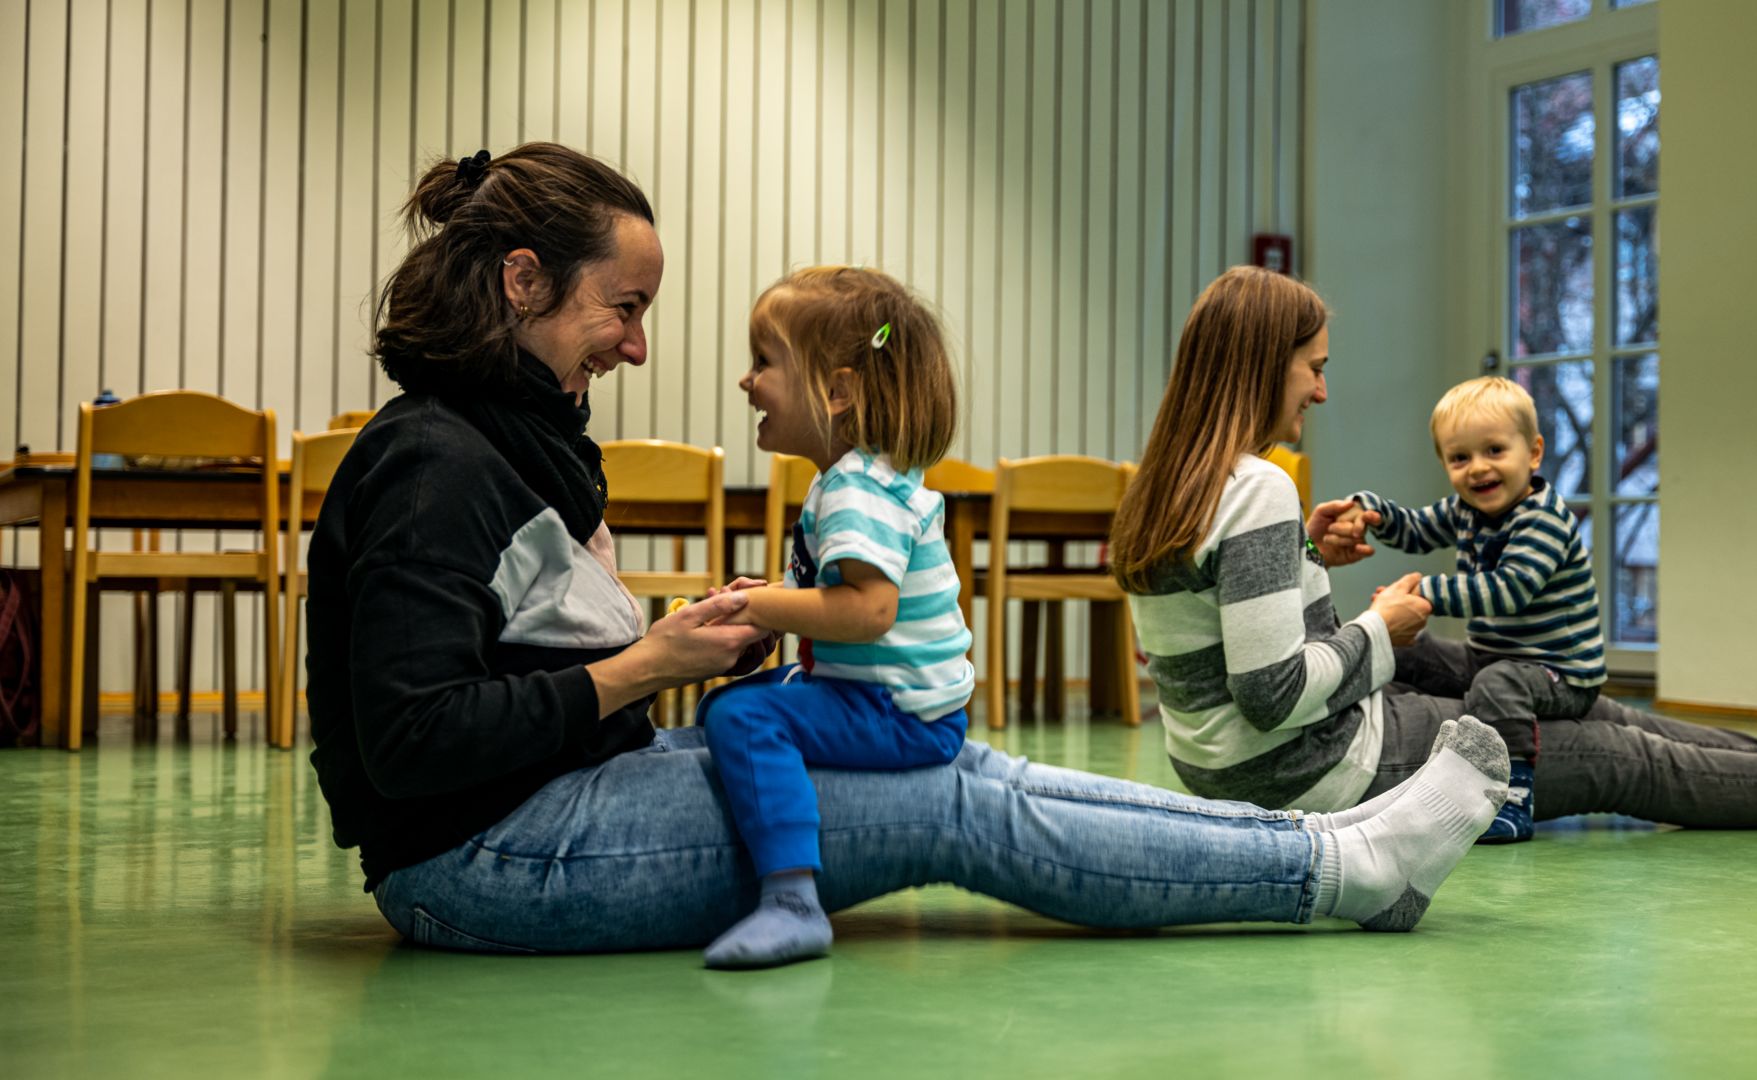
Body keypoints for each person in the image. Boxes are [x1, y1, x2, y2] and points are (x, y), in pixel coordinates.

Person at [302, 143, 1513, 961]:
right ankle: (1338, 866)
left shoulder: (507, 446)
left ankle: (1336, 855)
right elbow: (412, 747)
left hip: (571, 793)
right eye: (622, 308)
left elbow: (523, 649)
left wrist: (678, 636)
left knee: (975, 778)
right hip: (477, 862)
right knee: (952, 810)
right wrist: (645, 665)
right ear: (524, 283)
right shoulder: (435, 465)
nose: (637, 347)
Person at [1110, 265, 1757, 832]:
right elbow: (1271, 692)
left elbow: (1231, 621)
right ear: (1262, 367)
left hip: (1241, 765)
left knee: (1597, 713)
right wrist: (1380, 629)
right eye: (1312, 370)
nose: (1322, 391)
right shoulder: (1258, 485)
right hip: (1310, 768)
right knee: (1617, 757)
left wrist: (1306, 553)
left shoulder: (1173, 479)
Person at [693, 267, 975, 969]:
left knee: (739, 718)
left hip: (900, 712)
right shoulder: (850, 476)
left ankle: (792, 899)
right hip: (893, 696)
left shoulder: (855, 488)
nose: (746, 380)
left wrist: (754, 605)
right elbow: (835, 589)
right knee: (743, 705)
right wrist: (771, 597)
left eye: (763, 361)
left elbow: (869, 611)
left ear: (839, 391)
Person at [1339, 376, 1607, 843]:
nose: (1478, 469)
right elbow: (1418, 530)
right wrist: (1374, 513)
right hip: (1491, 654)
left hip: (1557, 672)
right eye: (1460, 458)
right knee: (1408, 651)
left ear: (1534, 453)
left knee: (1498, 684)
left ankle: (1513, 798)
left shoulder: (1542, 518)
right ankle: (1373, 735)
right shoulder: (1467, 509)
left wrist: (1424, 592)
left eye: (1495, 451)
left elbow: (1508, 590)